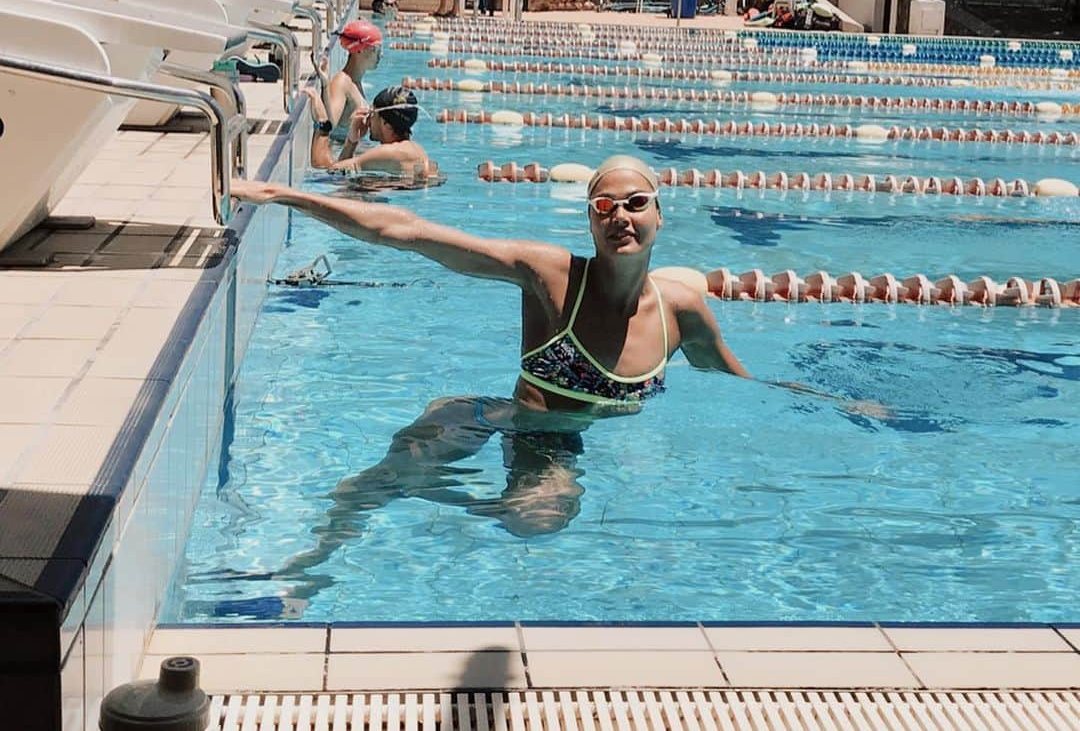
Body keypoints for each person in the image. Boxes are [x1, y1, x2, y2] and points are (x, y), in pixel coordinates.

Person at [230, 154, 883, 604]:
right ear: (591, 219)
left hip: (563, 443)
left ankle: (463, 503)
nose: (620, 214)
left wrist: (836, 403)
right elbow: (410, 232)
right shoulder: (551, 277)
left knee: (540, 521)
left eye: (635, 202)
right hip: (499, 420)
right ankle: (303, 576)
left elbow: (740, 383)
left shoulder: (679, 312)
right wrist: (283, 196)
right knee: (382, 482)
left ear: (659, 217)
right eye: (605, 204)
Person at [304, 83, 436, 181]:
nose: (368, 118)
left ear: (386, 124)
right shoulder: (416, 150)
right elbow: (341, 175)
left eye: (372, 113)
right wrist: (352, 141)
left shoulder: (389, 153)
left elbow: (327, 172)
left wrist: (322, 122)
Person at [318, 19, 383, 144]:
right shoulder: (342, 82)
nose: (380, 55)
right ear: (359, 50)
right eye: (376, 50)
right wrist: (325, 85)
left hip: (351, 154)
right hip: (340, 157)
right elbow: (329, 125)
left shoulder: (355, 82)